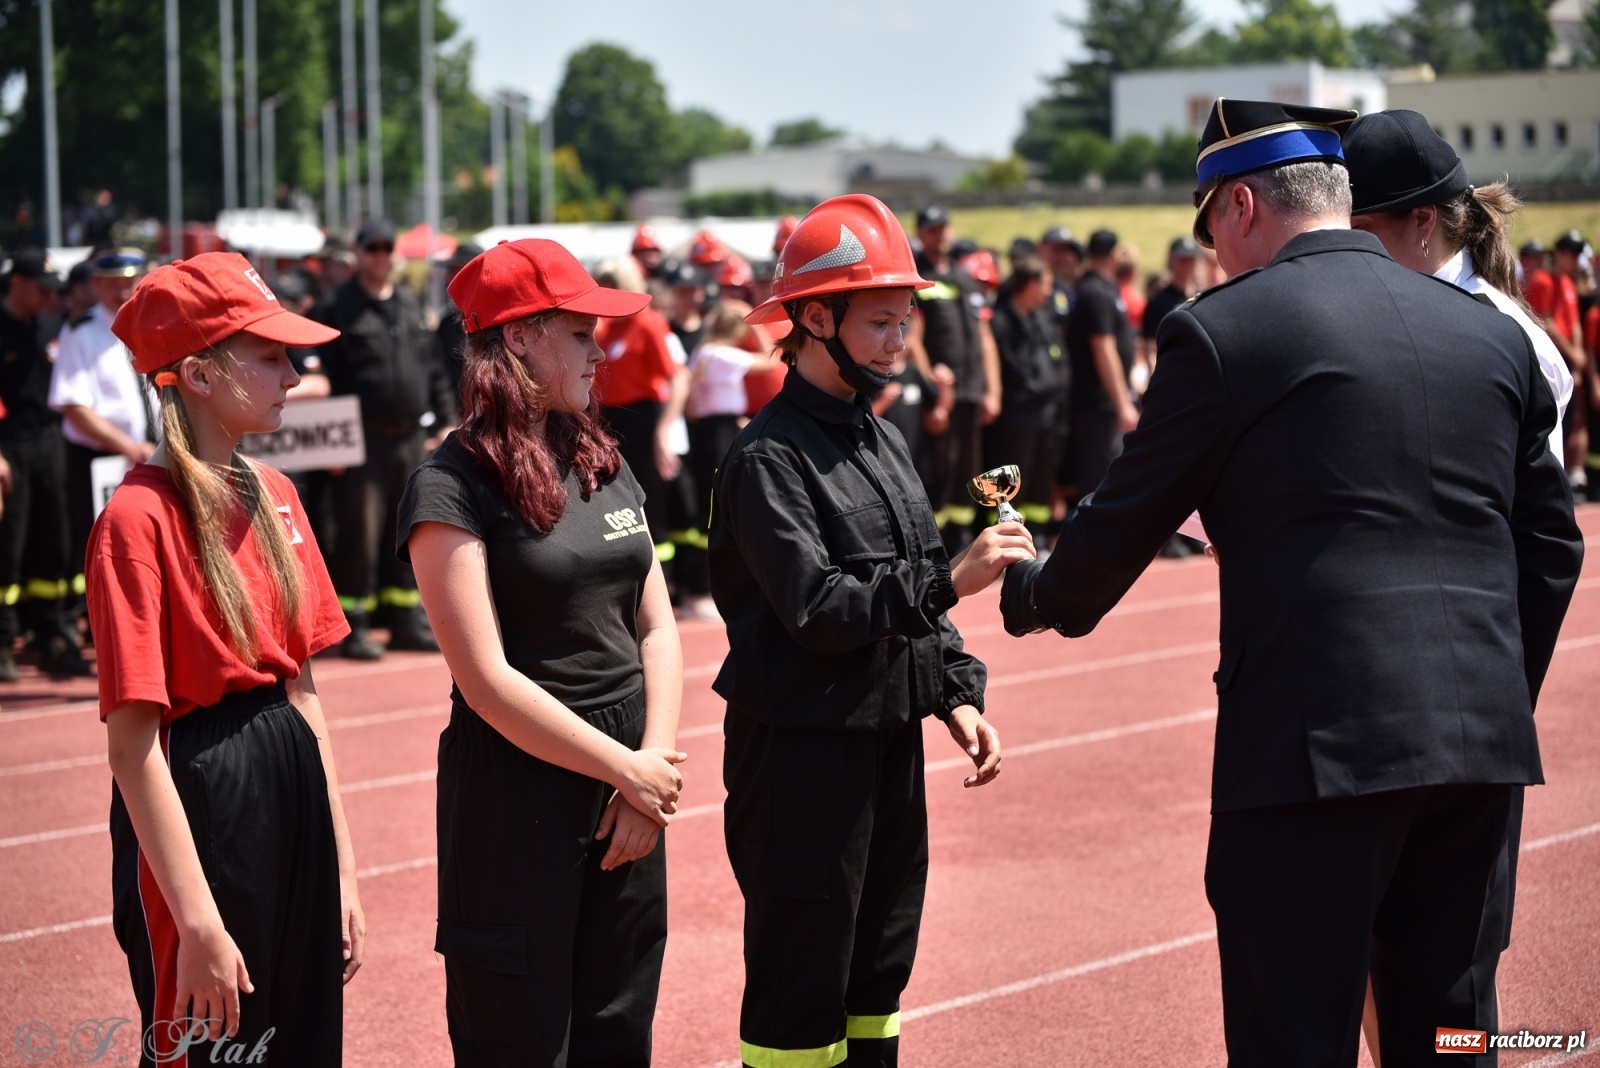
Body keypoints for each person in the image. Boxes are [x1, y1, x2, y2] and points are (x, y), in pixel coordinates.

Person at [998, 99, 1583, 1068]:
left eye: (1208, 230)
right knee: (1450, 1032)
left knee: (1294, 1038)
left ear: (1237, 205)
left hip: (1315, 753)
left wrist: (1031, 592)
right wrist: (1486, 692)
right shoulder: (1489, 334)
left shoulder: (1225, 332)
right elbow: (1552, 546)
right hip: (1479, 749)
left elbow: (1125, 518)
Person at [712, 194, 1026, 1068]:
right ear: (815, 317)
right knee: (800, 984)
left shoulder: (880, 438)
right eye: (882, 321)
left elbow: (911, 570)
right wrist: (953, 581)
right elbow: (817, 607)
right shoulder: (767, 458)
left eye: (906, 320)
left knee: (878, 974)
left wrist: (954, 693)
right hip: (803, 753)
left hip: (884, 733)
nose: (901, 341)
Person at [397, 239, 685, 1065]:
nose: (602, 349)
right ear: (519, 339)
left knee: (617, 1033)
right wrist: (625, 772)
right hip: (518, 798)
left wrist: (650, 772)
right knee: (520, 1043)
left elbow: (657, 627)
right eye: (582, 331)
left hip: (630, 789)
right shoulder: (449, 484)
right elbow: (485, 681)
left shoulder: (603, 457)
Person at [90, 251, 364, 1064]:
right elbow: (133, 743)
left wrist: (342, 867)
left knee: (303, 1041)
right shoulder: (136, 520)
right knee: (215, 1046)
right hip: (201, 785)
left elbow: (305, 696)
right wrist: (198, 920)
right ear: (200, 376)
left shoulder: (278, 493)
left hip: (290, 775)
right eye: (270, 355)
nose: (294, 371)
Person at [313, 218, 456, 659]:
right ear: (357, 254)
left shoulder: (410, 306)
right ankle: (354, 624)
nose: (380, 255)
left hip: (411, 439)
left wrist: (447, 420)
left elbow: (434, 370)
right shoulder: (336, 307)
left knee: (410, 530)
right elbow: (322, 379)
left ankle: (405, 621)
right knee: (359, 532)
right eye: (372, 247)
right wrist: (331, 444)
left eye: (386, 247)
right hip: (360, 440)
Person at [49, 249, 159, 596]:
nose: (124, 291)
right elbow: (74, 406)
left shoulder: (152, 324)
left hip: (153, 454)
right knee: (108, 550)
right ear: (96, 284)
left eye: (131, 281)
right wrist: (128, 447)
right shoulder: (80, 332)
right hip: (104, 460)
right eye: (114, 284)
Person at [0, 250, 88, 679]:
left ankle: (53, 632)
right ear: (17, 283)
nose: (49, 297)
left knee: (56, 538)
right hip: (9, 445)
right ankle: (3, 642)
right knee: (8, 546)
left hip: (50, 443)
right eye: (41, 288)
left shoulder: (54, 327)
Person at [908, 204, 1002, 551]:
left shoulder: (964, 278)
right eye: (932, 229)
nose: (941, 234)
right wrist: (933, 389)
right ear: (921, 234)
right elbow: (914, 337)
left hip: (971, 389)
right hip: (941, 394)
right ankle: (935, 543)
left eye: (943, 227)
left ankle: (962, 537)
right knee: (939, 467)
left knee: (969, 467)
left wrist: (993, 389)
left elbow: (985, 337)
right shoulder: (918, 277)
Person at [984, 254, 1061, 532]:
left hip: (1045, 410)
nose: (1049, 291)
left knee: (1041, 475)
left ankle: (1037, 533)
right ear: (1030, 285)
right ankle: (1004, 530)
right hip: (1016, 412)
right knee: (1012, 475)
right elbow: (1011, 367)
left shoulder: (1041, 318)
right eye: (1046, 284)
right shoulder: (1001, 322)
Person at [1061, 229, 1138, 503]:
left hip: (1102, 403)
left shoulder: (1101, 288)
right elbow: (1103, 349)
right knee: (1100, 477)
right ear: (1114, 254)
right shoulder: (1095, 291)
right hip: (1097, 404)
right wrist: (1122, 402)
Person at [1140, 237, 1202, 366]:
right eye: (1182, 260)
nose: (1187, 265)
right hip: (1172, 369)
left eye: (1191, 260)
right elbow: (1151, 347)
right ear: (1171, 260)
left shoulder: (1203, 297)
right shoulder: (1158, 302)